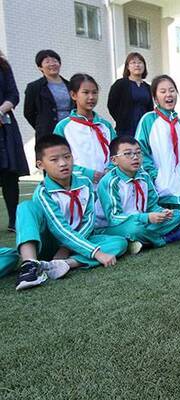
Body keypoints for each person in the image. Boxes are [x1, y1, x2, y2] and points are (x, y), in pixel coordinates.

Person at [14, 134, 127, 291]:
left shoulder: (85, 184)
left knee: (119, 242)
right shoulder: (43, 192)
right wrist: (95, 253)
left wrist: (67, 250)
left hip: (75, 242)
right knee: (26, 207)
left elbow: (88, 222)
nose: (63, 163)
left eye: (67, 157)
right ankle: (30, 266)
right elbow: (58, 228)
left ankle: (65, 264)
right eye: (54, 160)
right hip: (48, 243)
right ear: (41, 165)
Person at [96, 136, 180, 254]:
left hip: (141, 220)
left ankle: (140, 241)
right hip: (112, 227)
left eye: (138, 153)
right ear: (114, 160)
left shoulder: (144, 176)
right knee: (135, 229)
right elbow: (114, 217)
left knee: (177, 215)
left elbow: (152, 206)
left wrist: (162, 212)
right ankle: (163, 239)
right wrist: (146, 217)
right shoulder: (110, 182)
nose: (135, 157)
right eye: (128, 154)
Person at [135, 75, 180, 209]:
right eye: (163, 91)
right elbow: (139, 151)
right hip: (159, 190)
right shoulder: (148, 120)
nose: (169, 94)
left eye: (172, 90)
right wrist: (155, 176)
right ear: (155, 98)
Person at [54, 73, 115, 186]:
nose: (91, 97)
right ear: (73, 95)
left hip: (106, 185)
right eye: (86, 92)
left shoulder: (105, 125)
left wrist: (110, 168)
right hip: (78, 186)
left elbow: (116, 152)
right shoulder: (64, 127)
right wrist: (88, 173)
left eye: (94, 92)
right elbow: (58, 158)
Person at [0, 50, 29, 232]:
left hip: (4, 125)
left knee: (10, 175)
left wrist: (1, 110)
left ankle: (13, 220)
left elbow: (13, 95)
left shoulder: (3, 67)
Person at [24, 50, 71, 140]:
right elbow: (28, 113)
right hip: (47, 132)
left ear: (59, 64)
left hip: (70, 129)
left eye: (55, 61)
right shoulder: (34, 87)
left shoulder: (70, 85)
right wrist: (42, 126)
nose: (52, 64)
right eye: (47, 62)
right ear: (40, 67)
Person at [107, 52, 153, 137]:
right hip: (126, 129)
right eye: (133, 63)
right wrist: (121, 120)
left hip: (145, 128)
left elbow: (150, 108)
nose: (137, 65)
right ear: (127, 67)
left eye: (140, 62)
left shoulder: (148, 87)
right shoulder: (120, 84)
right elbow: (111, 105)